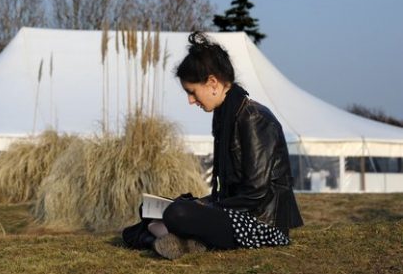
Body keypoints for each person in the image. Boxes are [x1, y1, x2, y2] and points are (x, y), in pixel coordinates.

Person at [122, 32, 303, 259]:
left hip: (260, 223)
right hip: (234, 213)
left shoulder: (253, 118)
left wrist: (205, 208)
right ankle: (184, 243)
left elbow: (256, 194)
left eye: (192, 92)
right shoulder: (225, 115)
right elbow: (228, 190)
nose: (190, 100)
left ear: (212, 83)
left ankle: (174, 238)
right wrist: (202, 203)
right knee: (143, 215)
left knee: (177, 213)